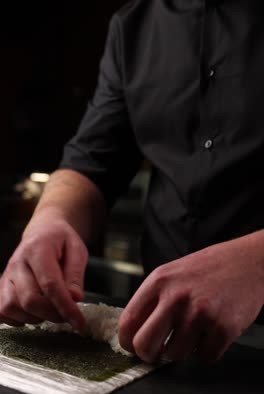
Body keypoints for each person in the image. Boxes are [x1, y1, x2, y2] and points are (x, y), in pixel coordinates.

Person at [1, 0, 264, 364]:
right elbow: (91, 163)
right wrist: (49, 220)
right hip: (159, 346)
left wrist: (256, 263)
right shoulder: (133, 25)